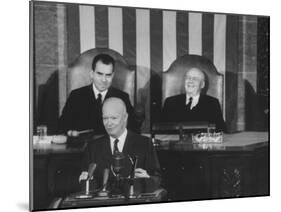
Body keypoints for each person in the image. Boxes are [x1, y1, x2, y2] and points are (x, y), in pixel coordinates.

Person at [79, 97, 161, 194]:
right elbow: (86, 185)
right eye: (105, 118)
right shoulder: (93, 147)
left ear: (125, 117)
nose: (109, 123)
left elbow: (157, 179)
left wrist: (148, 178)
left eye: (114, 118)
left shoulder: (144, 144)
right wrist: (84, 180)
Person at [58, 54, 138, 135]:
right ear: (92, 74)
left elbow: (133, 130)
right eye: (99, 74)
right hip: (82, 145)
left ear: (113, 75)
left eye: (108, 75)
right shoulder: (76, 96)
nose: (104, 80)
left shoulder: (122, 97)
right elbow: (62, 127)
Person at [162, 67, 226, 131]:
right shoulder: (170, 102)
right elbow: (161, 130)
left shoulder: (212, 104)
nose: (190, 81)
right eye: (188, 77)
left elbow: (220, 129)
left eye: (195, 79)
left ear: (202, 85)